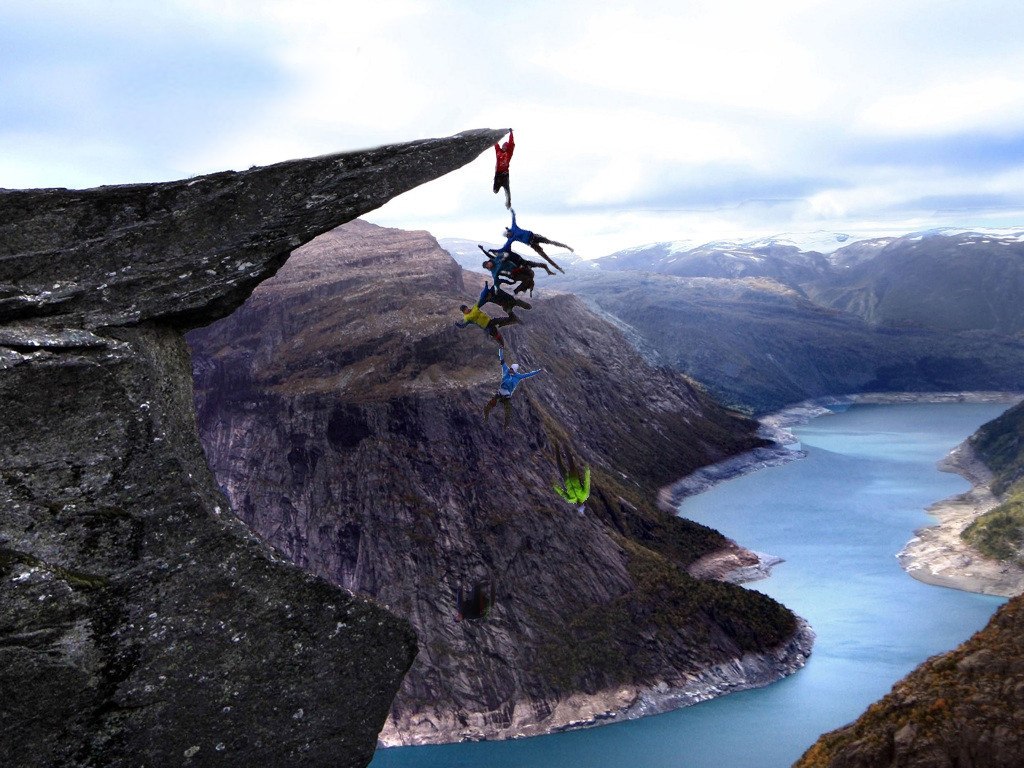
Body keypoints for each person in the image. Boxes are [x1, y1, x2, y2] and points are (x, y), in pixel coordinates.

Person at [483, 348, 542, 429]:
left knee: (508, 411)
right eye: (510, 369)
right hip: (500, 393)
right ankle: (485, 418)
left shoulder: (518, 376)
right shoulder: (506, 370)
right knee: (489, 405)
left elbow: (529, 374)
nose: (510, 371)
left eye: (512, 370)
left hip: (506, 396)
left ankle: (505, 425)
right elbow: (502, 359)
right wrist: (500, 350)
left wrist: (538, 371)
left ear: (515, 371)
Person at [500, 208, 572, 274]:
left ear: (508, 232)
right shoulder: (511, 239)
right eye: (507, 236)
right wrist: (493, 250)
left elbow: (513, 218)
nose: (508, 236)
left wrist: (512, 211)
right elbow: (505, 247)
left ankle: (567, 247)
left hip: (535, 237)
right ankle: (559, 268)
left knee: (551, 242)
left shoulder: (514, 228)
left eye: (507, 234)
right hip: (532, 244)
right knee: (545, 257)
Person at [455, 282, 519, 348]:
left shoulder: (475, 308)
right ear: (463, 312)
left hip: (490, 321)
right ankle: (501, 344)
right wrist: (459, 325)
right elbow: (464, 325)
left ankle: (512, 319)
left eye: (466, 308)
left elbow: (482, 299)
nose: (467, 310)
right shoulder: (467, 318)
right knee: (494, 333)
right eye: (465, 310)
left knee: (500, 320)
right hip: (486, 326)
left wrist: (486, 286)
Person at [479, 244, 553, 296]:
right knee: (527, 279)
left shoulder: (495, 259)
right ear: (488, 268)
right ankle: (516, 291)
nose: (489, 265)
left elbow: (491, 255)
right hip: (513, 274)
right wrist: (496, 289)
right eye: (487, 266)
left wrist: (483, 250)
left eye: (488, 264)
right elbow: (495, 281)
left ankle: (527, 287)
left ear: (489, 262)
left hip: (517, 267)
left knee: (530, 272)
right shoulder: (494, 272)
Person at [552, 441, 591, 515]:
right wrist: (587, 470)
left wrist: (555, 487)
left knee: (559, 464)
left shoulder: (570, 500)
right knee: (570, 460)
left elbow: (562, 493)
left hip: (566, 478)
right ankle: (564, 444)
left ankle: (556, 446)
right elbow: (587, 482)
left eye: (578, 507)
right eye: (580, 506)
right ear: (583, 505)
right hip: (574, 475)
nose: (578, 505)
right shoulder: (585, 495)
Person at [493, 129, 514, 209]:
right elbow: (495, 143)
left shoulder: (509, 153)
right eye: (504, 146)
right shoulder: (498, 151)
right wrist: (494, 135)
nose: (504, 147)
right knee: (495, 191)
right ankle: (497, 187)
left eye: (506, 146)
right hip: (498, 175)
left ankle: (508, 203)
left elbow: (511, 143)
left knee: (507, 190)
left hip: (505, 175)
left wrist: (511, 133)